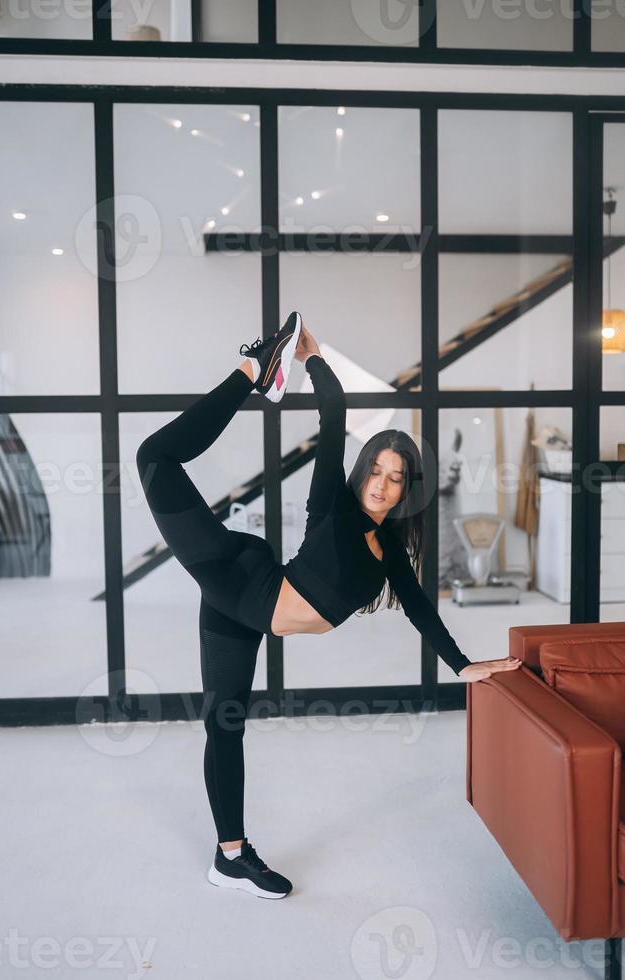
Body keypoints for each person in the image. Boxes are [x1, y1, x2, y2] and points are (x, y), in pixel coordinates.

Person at [136, 311, 522, 900]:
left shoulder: (389, 549)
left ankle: (230, 856)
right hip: (234, 573)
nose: (381, 484)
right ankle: (252, 367)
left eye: (396, 479)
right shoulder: (333, 511)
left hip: (245, 607)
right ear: (363, 470)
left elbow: (421, 608)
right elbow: (335, 421)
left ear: (405, 490)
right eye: (376, 470)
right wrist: (308, 358)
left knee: (224, 726)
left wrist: (464, 665)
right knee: (155, 458)